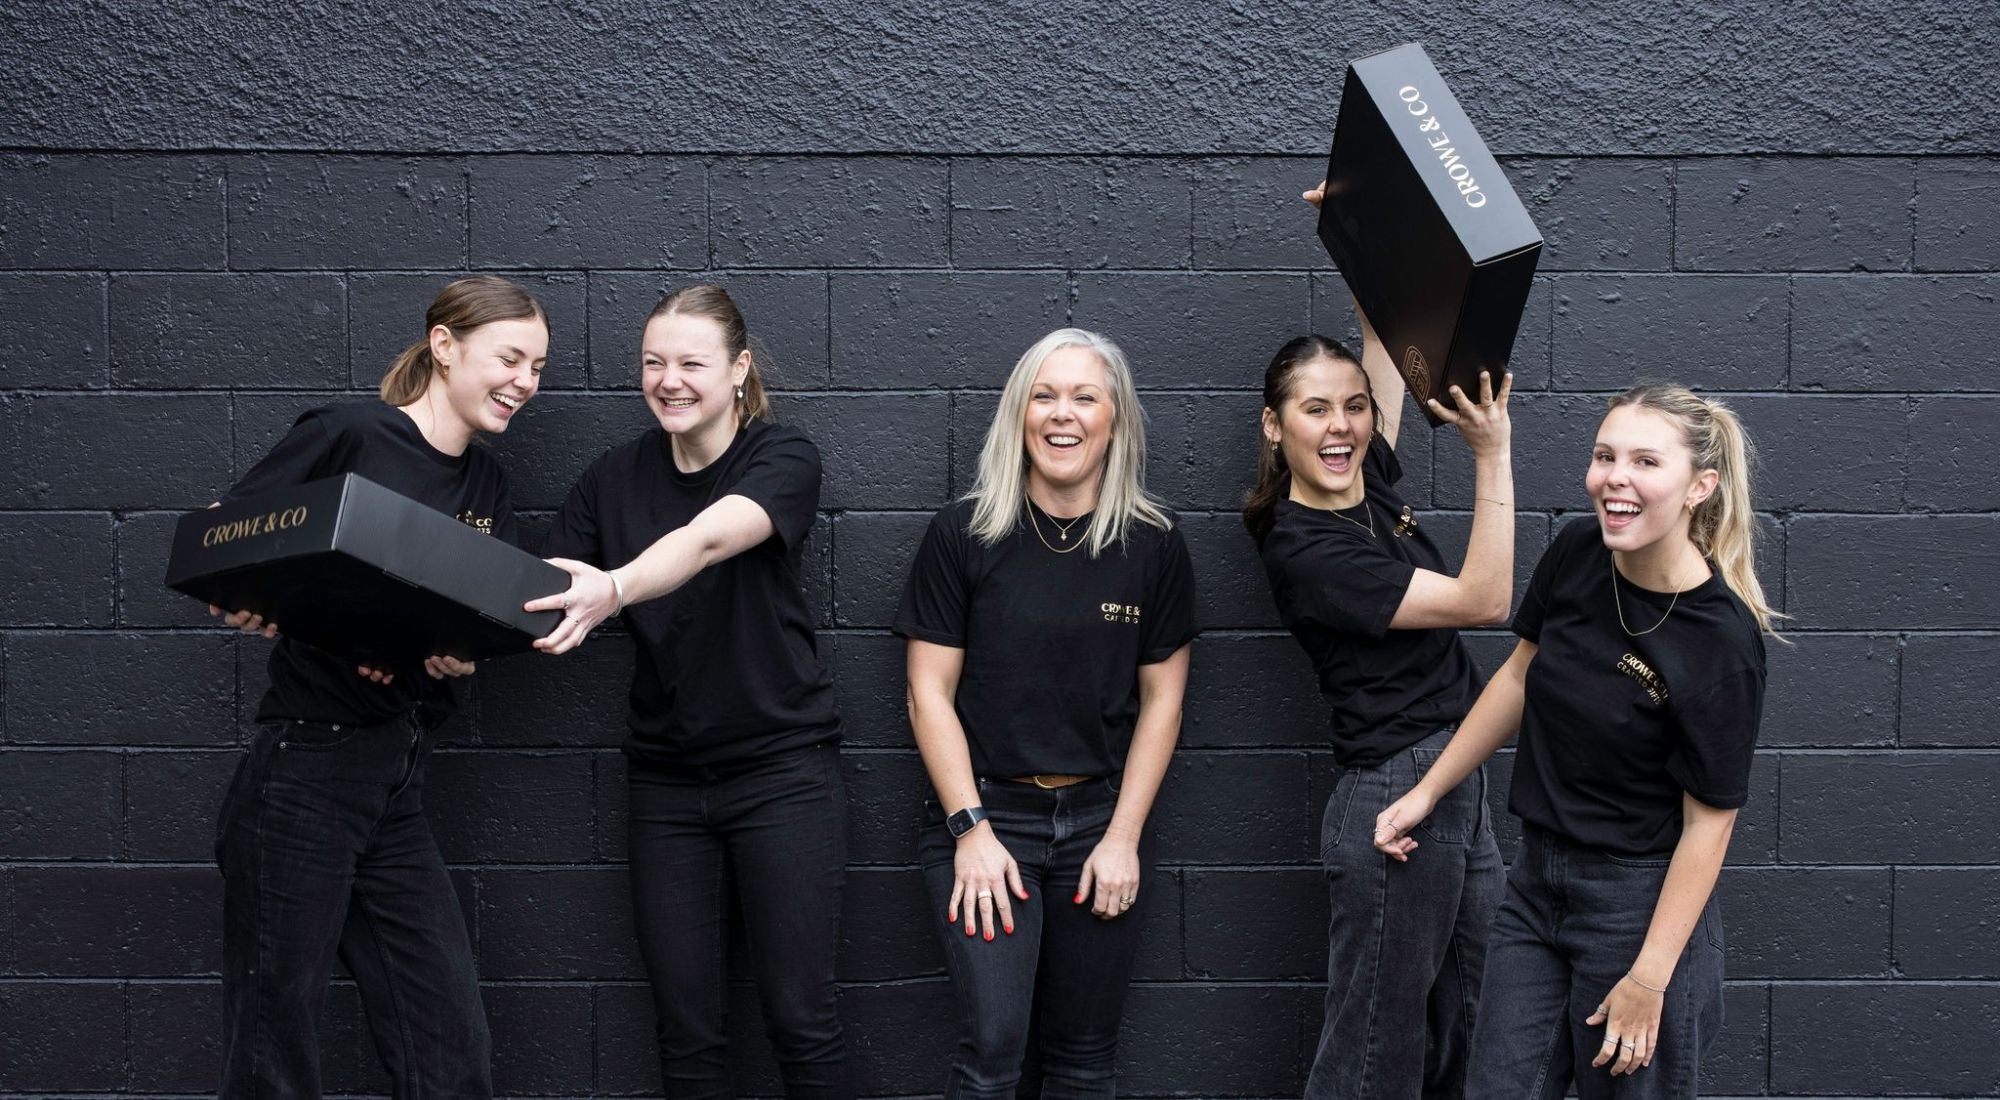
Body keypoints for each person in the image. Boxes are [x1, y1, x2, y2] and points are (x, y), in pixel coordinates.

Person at [1376, 385, 1779, 1098]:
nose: (1615, 478)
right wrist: (1427, 791)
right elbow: (1519, 676)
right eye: (1604, 456)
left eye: (1646, 462)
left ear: (1699, 487)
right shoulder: (1578, 550)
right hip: (1537, 886)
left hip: (1637, 907)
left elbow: (1709, 827)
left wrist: (1649, 978)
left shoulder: (1720, 641)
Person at [210, 274, 550, 1096]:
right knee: (272, 1052)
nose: (525, 383)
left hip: (396, 778)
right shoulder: (350, 434)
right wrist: (266, 598)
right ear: (445, 346)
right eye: (511, 358)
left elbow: (484, 611)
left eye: (537, 368)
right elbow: (228, 534)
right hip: (305, 770)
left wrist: (459, 652)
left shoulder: (487, 485)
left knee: (450, 1052)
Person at [529, 284, 850, 1097]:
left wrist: (615, 587)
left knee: (801, 1024)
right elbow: (537, 590)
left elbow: (706, 539)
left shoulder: (782, 458)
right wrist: (426, 636)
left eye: (692, 364)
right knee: (688, 1035)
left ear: (739, 370)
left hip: (782, 774)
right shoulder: (613, 478)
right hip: (667, 784)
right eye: (653, 363)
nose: (668, 380)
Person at [895, 327, 1196, 1098]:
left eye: (1084, 397)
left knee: (1084, 1058)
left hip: (1101, 823)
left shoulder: (1153, 544)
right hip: (987, 816)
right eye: (1044, 396)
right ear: (1019, 414)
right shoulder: (964, 534)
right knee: (993, 1051)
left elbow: (1164, 701)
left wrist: (1123, 837)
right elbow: (928, 693)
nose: (1063, 414)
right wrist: (970, 831)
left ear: (1114, 420)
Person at [1244, 304, 1515, 1096]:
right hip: (1399, 791)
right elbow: (1484, 600)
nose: (1342, 426)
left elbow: (1382, 350)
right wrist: (1492, 454)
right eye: (1316, 409)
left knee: (1479, 1025)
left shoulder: (1368, 483)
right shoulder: (1307, 547)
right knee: (1375, 1053)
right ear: (1274, 426)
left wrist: (1378, 251)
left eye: (1354, 407)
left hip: (1454, 780)